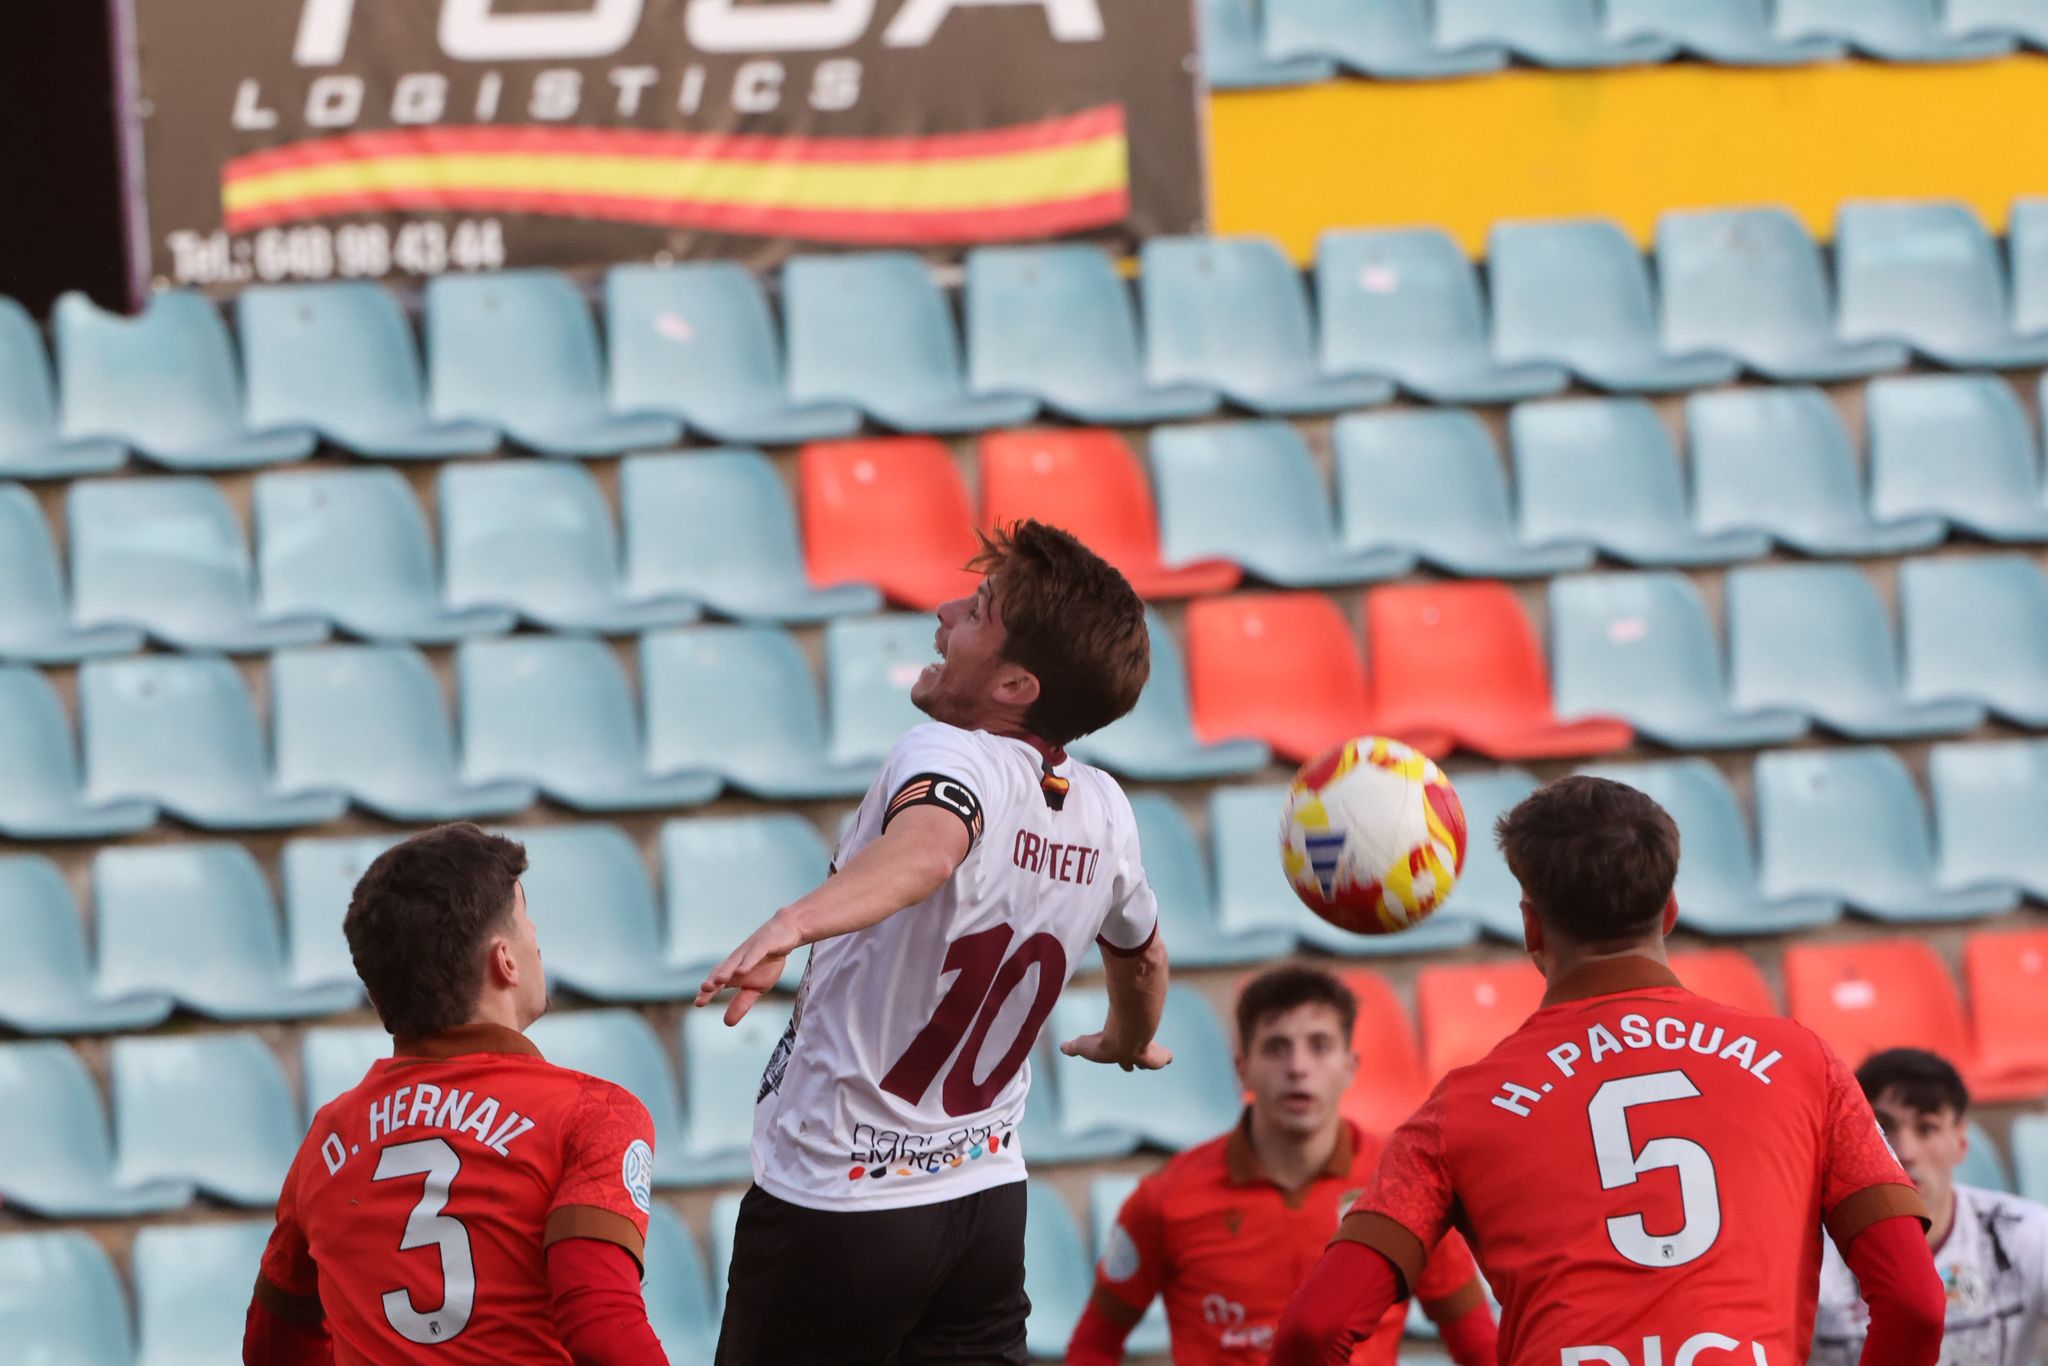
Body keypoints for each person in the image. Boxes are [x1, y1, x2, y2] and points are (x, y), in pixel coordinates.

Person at [696, 520, 1172, 1366]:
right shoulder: (1104, 809)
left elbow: (925, 849)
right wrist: (1129, 1039)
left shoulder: (950, 753)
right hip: (983, 1206)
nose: (945, 615)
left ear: (1016, 685)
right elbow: (1143, 955)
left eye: (978, 613)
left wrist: (794, 920)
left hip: (841, 1201)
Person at [1271, 775, 1948, 1366]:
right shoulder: (1802, 1064)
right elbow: (1916, 1304)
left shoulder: (1461, 1110)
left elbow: (1314, 1327)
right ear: (1671, 912)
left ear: (1532, 929)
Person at [243, 823, 668, 1366]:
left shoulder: (327, 1139)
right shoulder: (593, 1114)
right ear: (505, 960)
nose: (536, 937)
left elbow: (272, 1347)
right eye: (526, 919)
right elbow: (600, 1323)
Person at [1067, 966, 1498, 1365]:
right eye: (1276, 1047)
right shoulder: (1164, 1199)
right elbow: (1094, 1345)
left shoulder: (1407, 1190)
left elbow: (1478, 1345)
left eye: (1319, 1046)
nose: (1297, 1068)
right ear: (1242, 1070)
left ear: (1350, 1067)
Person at [1811, 1047, 2048, 1365]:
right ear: (1851, 1142)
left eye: (1927, 1128)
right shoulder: (1810, 1254)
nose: (1905, 1151)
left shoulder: (2025, 1232)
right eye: (1883, 1128)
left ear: (1960, 1143)